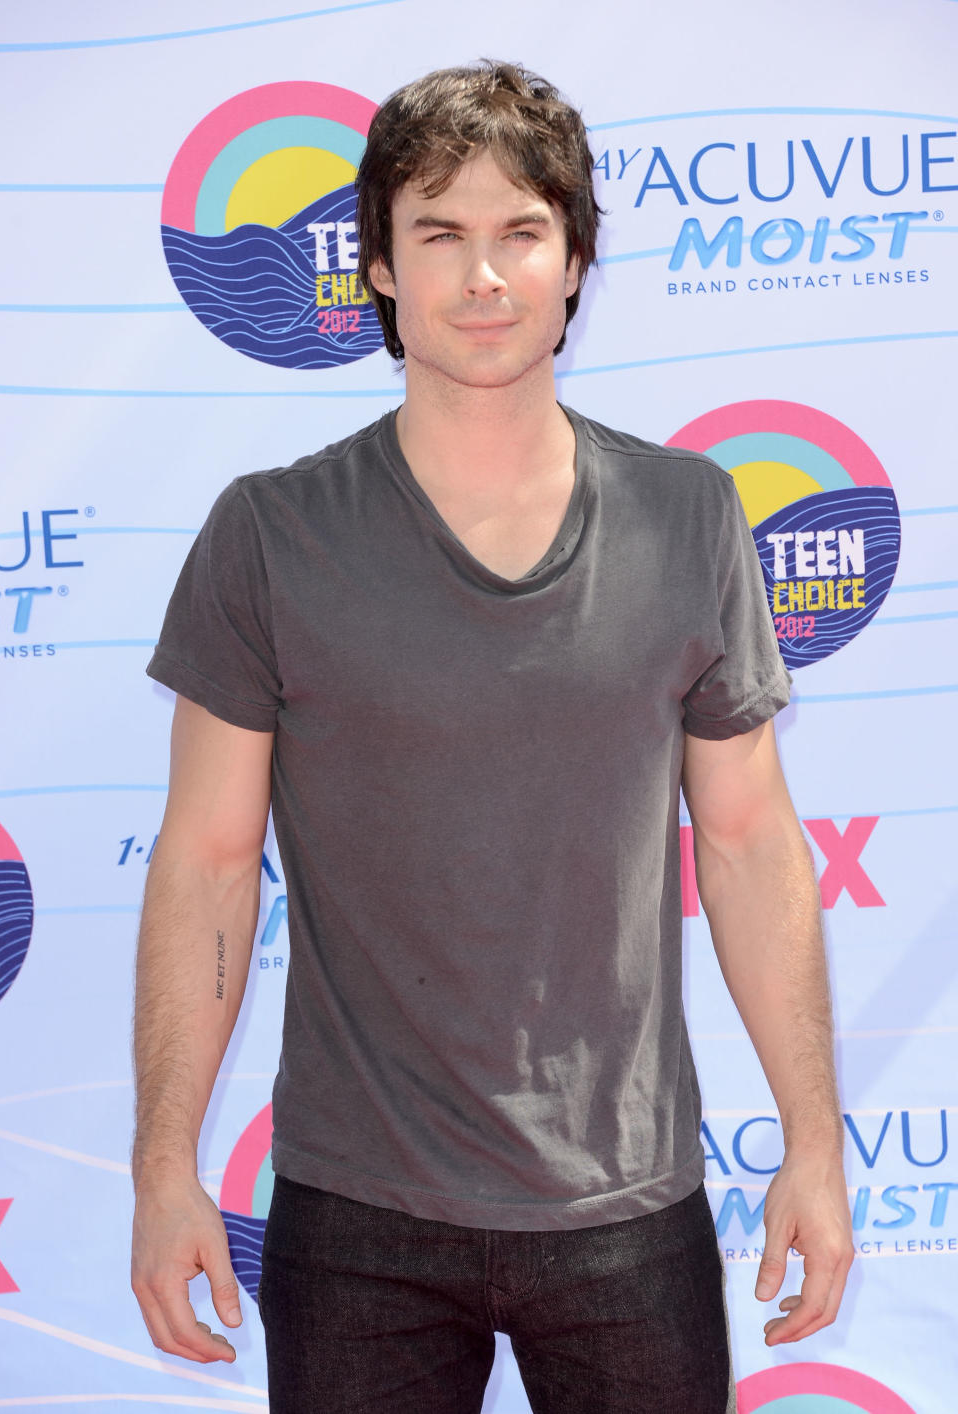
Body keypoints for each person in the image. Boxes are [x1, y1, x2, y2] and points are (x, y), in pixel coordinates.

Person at [131, 60, 854, 1414]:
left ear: (576, 259)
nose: (483, 275)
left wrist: (814, 1142)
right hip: (358, 1218)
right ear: (380, 268)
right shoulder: (272, 535)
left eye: (521, 231)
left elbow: (751, 840)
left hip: (628, 1211)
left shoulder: (691, 515)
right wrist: (165, 1165)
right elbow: (208, 861)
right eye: (439, 232)